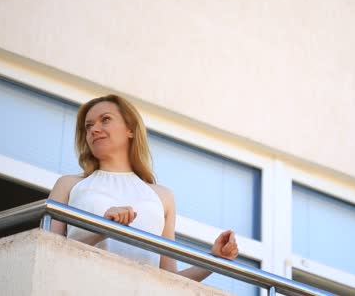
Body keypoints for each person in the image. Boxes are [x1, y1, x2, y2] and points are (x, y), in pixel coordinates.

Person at [48, 94, 239, 282]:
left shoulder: (163, 197)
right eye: (88, 126)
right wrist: (101, 228)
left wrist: (216, 259)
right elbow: (47, 253)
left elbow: (170, 279)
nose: (93, 130)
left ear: (130, 129)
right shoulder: (68, 185)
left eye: (105, 120)